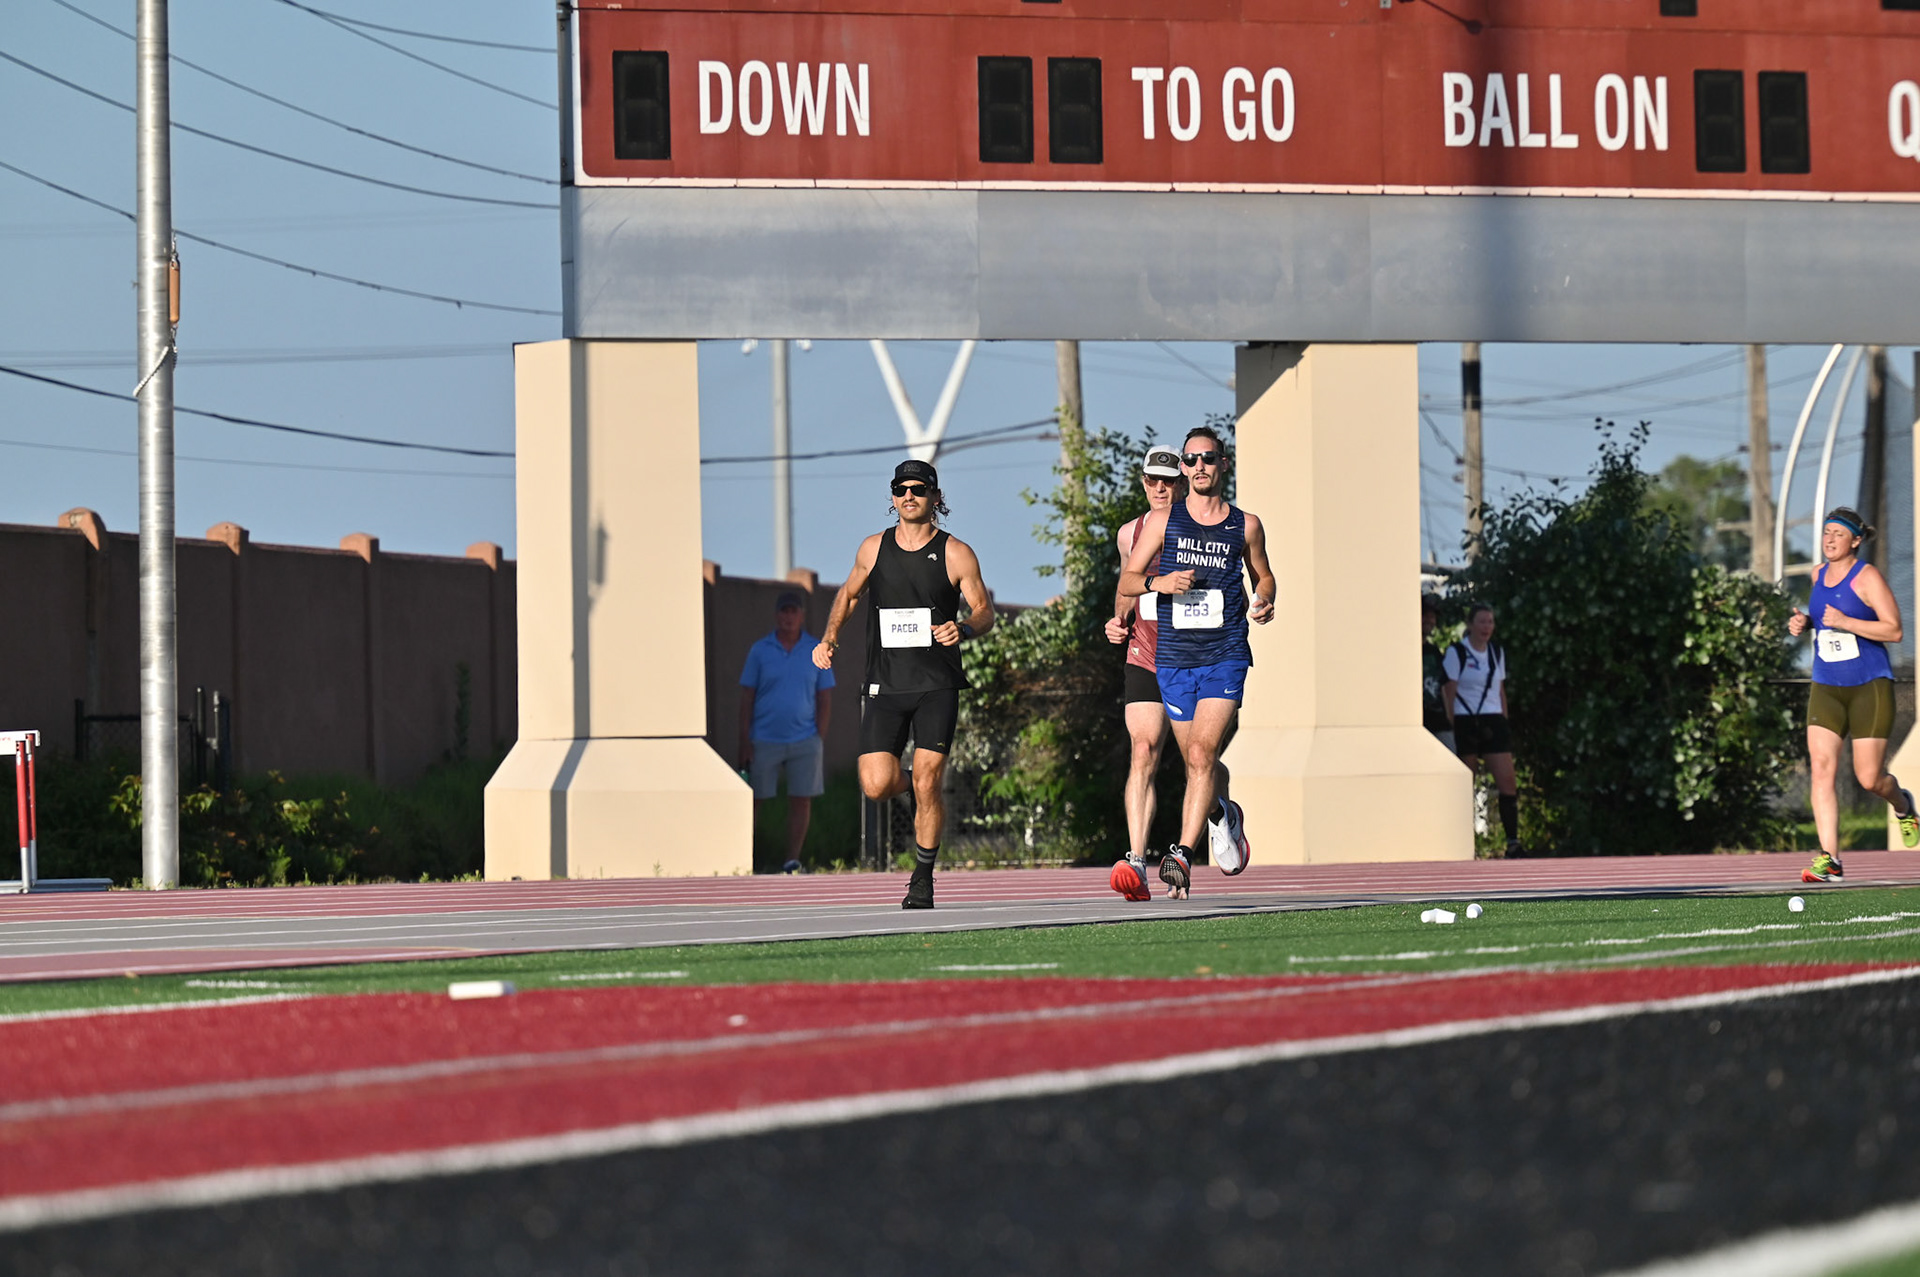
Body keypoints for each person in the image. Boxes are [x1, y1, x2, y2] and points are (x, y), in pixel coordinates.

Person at [814, 459, 994, 909]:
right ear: (893, 497)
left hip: (937, 684)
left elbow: (984, 611)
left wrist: (963, 628)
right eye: (900, 489)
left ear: (936, 496)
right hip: (886, 683)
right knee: (875, 785)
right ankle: (917, 783)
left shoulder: (956, 552)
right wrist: (830, 637)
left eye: (918, 488)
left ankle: (922, 878)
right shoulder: (873, 548)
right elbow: (849, 594)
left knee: (930, 781)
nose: (908, 496)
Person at [1117, 426, 1276, 899]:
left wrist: (1265, 599)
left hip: (1224, 655)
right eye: (1191, 459)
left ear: (1223, 463)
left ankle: (1182, 855)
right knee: (1194, 761)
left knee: (1203, 754)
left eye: (1208, 458)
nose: (1199, 466)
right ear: (1184, 469)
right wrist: (1159, 584)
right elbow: (1128, 581)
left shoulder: (1246, 525)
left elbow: (1264, 576)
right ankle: (1224, 814)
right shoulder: (1163, 524)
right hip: (1173, 660)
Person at [1786, 506, 1920, 882]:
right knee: (1821, 769)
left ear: (1856, 540)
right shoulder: (1817, 574)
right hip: (1826, 686)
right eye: (1826, 532)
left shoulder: (1867, 577)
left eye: (1838, 534)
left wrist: (1847, 622)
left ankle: (1903, 805)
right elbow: (1822, 620)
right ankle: (1830, 859)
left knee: (1869, 779)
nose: (1829, 539)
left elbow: (1894, 630)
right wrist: (1805, 622)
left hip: (1868, 687)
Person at [737, 590, 834, 874]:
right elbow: (746, 697)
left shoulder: (815, 649)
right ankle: (745, 860)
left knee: (801, 800)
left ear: (802, 615)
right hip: (764, 739)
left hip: (805, 740)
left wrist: (818, 737)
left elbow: (825, 697)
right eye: (784, 611)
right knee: (754, 799)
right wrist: (744, 741)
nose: (788, 617)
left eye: (794, 611)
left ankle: (792, 860)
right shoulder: (760, 650)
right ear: (776, 615)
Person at [1442, 603, 1522, 856]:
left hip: (1493, 719)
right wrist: (1453, 724)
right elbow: (1449, 691)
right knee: (1466, 783)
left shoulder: (1496, 653)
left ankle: (1513, 843)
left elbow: (1500, 690)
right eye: (1482, 622)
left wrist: (1503, 720)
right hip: (1466, 719)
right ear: (1471, 624)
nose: (1486, 627)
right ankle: (1462, 845)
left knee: (1508, 782)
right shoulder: (1457, 652)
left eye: (1490, 622)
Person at [1421, 594, 1455, 753]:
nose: (1429, 620)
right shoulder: (1403, 650)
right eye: (1425, 615)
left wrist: (1449, 718)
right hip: (1415, 723)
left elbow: (1443, 687)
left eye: (1432, 616)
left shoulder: (1434, 651)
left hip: (1439, 723)